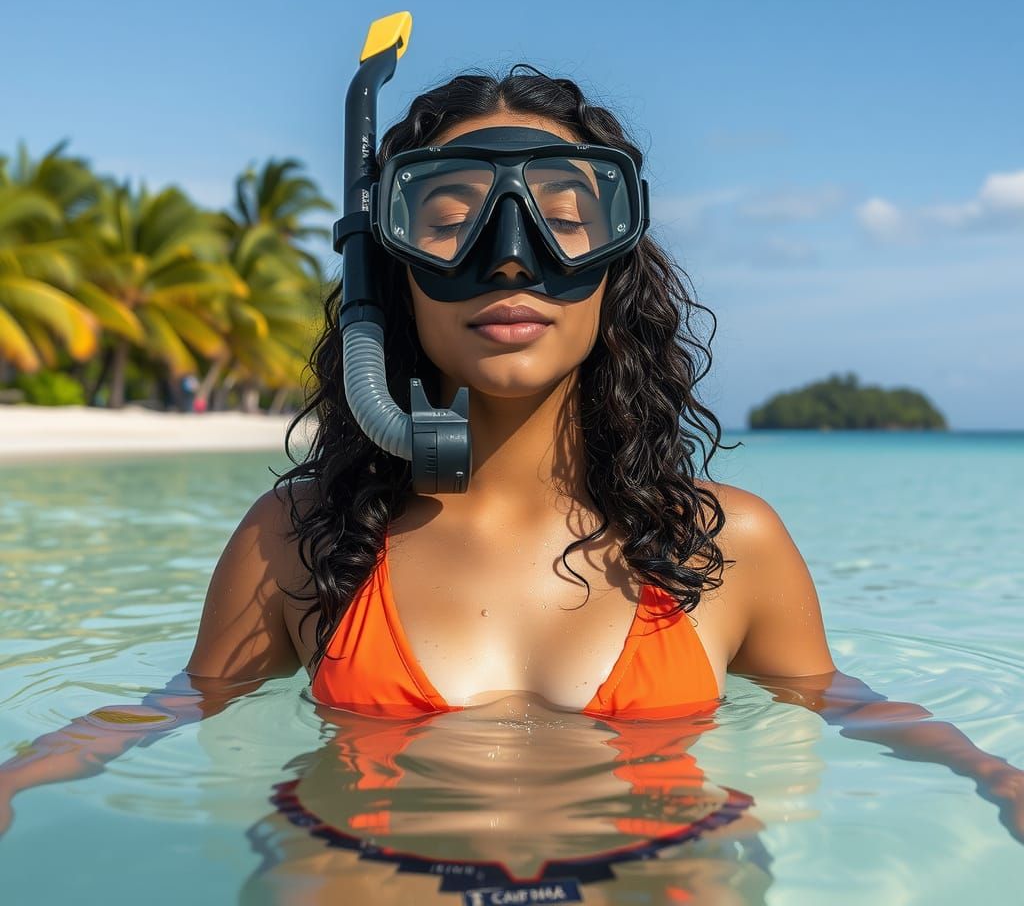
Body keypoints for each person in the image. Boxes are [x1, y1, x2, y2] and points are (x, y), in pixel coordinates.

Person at [1, 70, 1022, 846]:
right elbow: (182, 705)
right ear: (387, 271)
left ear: (615, 270)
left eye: (564, 221)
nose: (508, 255)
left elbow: (836, 699)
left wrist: (991, 772)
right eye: (448, 222)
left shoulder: (726, 542)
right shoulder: (299, 539)